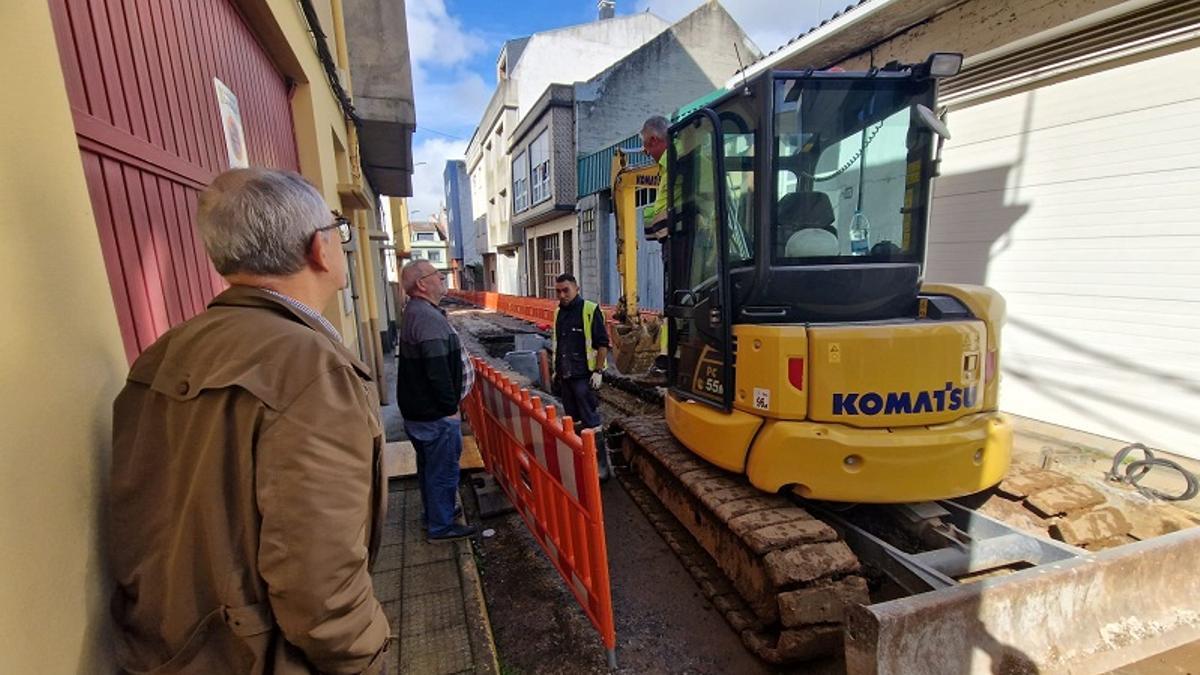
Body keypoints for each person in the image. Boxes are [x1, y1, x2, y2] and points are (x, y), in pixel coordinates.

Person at [109, 168, 390, 674]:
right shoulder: (309, 366)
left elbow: (136, 517)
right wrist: (364, 656)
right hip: (258, 654)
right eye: (336, 232)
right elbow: (317, 576)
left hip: (173, 647)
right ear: (318, 250)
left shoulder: (166, 352)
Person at [395, 259, 476, 542]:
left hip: (423, 412)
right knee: (442, 470)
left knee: (431, 468)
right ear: (422, 284)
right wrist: (450, 408)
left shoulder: (418, 312)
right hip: (435, 414)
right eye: (437, 275)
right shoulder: (426, 317)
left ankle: (436, 514)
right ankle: (441, 527)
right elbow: (437, 369)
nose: (442, 279)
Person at [549, 273, 612, 480]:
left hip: (584, 376)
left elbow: (602, 343)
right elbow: (559, 343)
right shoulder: (559, 313)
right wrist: (556, 371)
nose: (562, 295)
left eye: (566, 290)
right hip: (566, 375)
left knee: (591, 421)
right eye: (558, 291)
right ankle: (582, 464)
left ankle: (601, 467)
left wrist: (598, 371)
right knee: (573, 421)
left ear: (577, 289)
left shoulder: (589, 310)